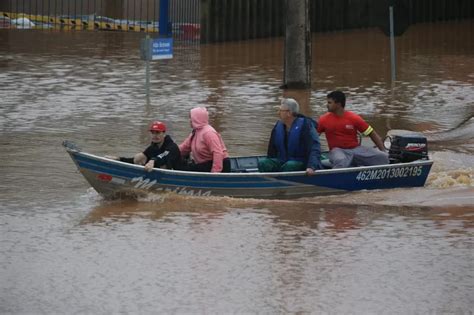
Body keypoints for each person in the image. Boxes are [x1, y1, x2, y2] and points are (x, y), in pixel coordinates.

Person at [317, 90, 389, 168]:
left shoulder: (354, 118)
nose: (327, 105)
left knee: (383, 157)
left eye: (329, 103)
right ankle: (339, 179)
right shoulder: (323, 119)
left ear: (338, 104)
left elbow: (371, 133)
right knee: (341, 160)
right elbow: (314, 137)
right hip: (337, 150)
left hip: (355, 149)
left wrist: (383, 150)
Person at [258, 98, 322, 175]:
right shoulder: (278, 126)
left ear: (289, 113)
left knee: (290, 165)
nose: (278, 113)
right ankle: (270, 182)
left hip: (301, 162)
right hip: (283, 160)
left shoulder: (305, 126)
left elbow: (314, 147)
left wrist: (311, 166)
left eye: (281, 110)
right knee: (263, 163)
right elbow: (272, 151)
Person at [106, 121, 181, 172]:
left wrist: (152, 161)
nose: (155, 136)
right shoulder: (153, 147)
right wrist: (118, 159)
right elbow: (134, 160)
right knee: (139, 157)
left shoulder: (171, 146)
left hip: (180, 171)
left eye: (158, 133)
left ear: (164, 134)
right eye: (152, 133)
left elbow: (163, 156)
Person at [178, 107, 230, 173]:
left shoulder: (209, 133)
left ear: (196, 119)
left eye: (191, 118)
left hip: (219, 165)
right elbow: (184, 148)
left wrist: (215, 173)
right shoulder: (195, 132)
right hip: (205, 164)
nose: (190, 120)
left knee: (186, 168)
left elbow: (218, 153)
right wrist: (172, 152)